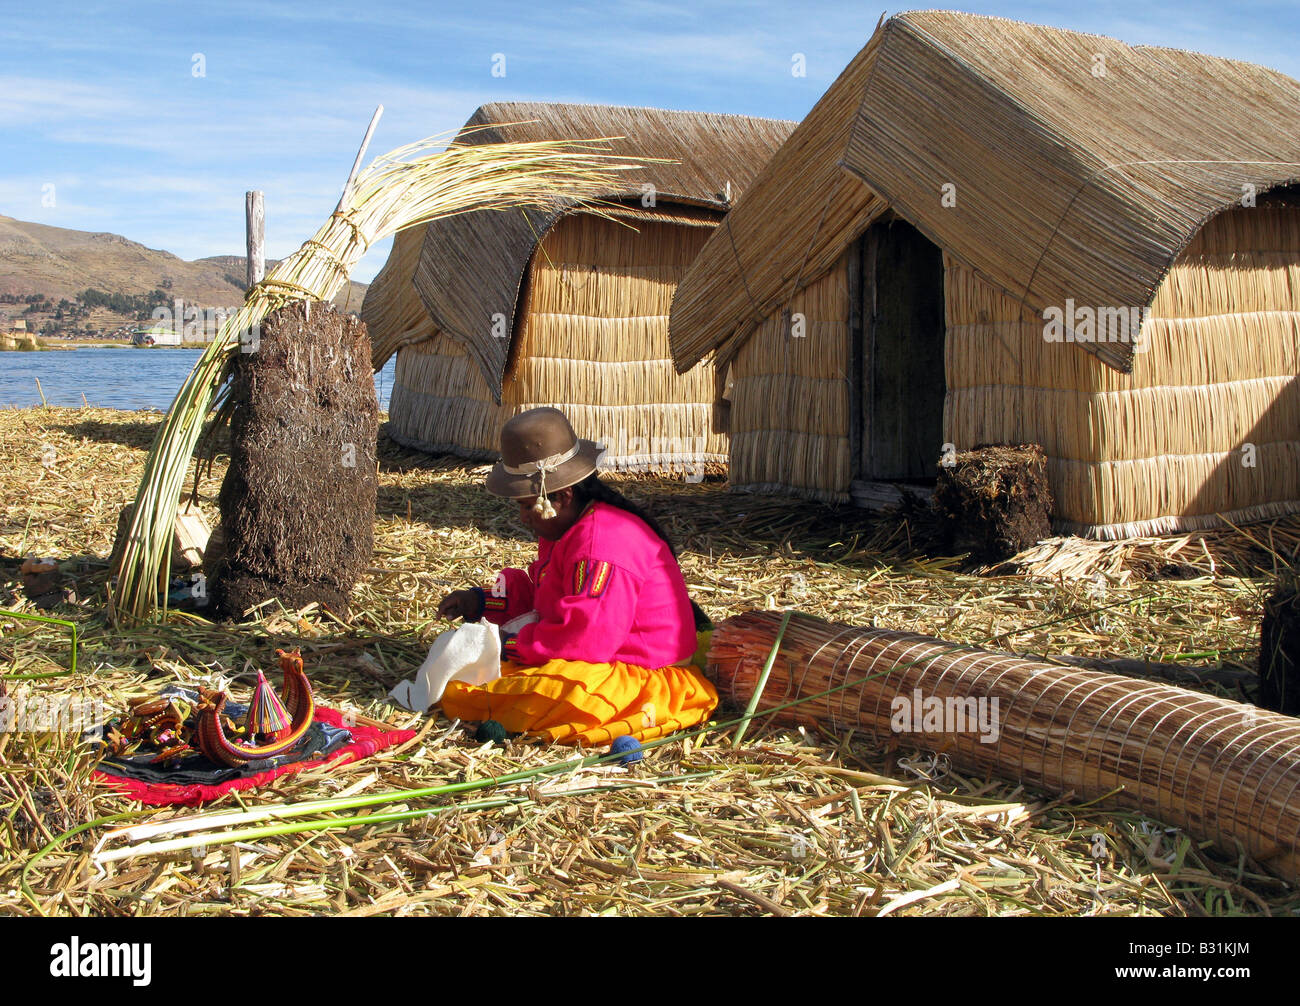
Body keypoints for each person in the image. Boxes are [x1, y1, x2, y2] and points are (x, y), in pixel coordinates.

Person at [436, 407, 718, 746]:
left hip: (643, 679)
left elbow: (585, 639)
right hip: (598, 659)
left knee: (467, 691)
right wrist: (480, 603)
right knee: (462, 675)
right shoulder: (569, 529)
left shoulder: (602, 542)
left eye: (528, 507)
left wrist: (506, 646)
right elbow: (549, 599)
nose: (524, 518)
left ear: (562, 497)